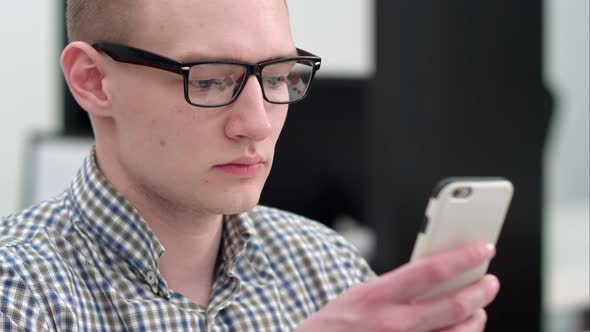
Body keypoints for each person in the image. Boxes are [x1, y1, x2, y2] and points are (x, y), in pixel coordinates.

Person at [0, 0, 500, 331]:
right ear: (92, 80)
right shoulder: (20, 290)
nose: (258, 125)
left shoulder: (324, 264)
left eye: (279, 76)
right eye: (212, 80)